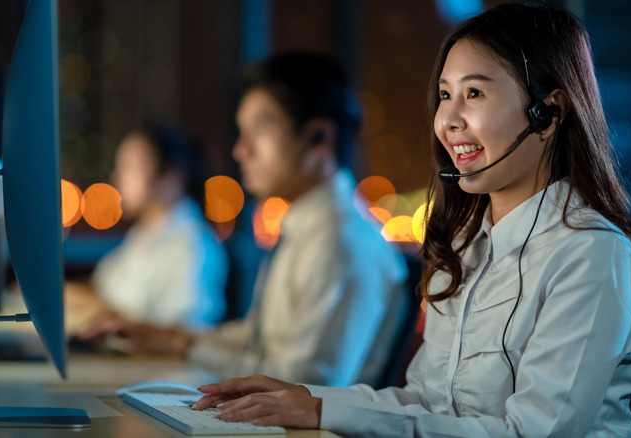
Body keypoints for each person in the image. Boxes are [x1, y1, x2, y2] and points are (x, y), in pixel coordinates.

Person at [190, 4, 631, 436]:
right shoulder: (466, 245)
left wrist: (323, 410)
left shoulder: (591, 254)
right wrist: (304, 398)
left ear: (547, 115)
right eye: (445, 95)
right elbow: (424, 403)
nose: (448, 120)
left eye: (474, 93)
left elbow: (531, 432)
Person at [78, 53, 409, 387]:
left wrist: (184, 346)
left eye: (260, 129)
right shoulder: (308, 229)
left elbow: (304, 385)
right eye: (242, 131)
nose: (241, 149)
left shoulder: (340, 240)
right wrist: (172, 339)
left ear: (320, 138)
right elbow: (259, 339)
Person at [66, 123, 228, 333]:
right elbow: (104, 288)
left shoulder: (194, 245)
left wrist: (100, 309)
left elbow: (190, 333)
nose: (118, 176)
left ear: (172, 175)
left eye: (131, 165)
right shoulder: (144, 234)